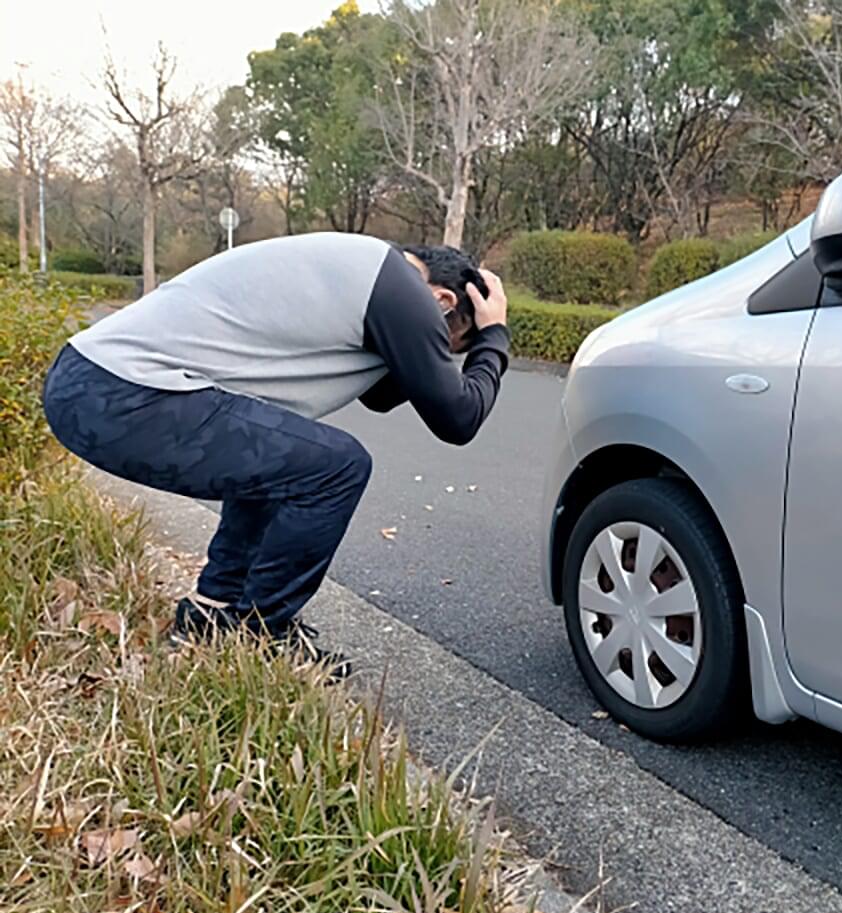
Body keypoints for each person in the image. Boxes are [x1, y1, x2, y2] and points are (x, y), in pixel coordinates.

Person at [41, 233, 510, 677]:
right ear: (444, 303)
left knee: (287, 453)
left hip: (90, 384)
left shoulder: (369, 272)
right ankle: (264, 633)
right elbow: (458, 419)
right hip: (122, 394)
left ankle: (214, 613)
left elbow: (383, 395)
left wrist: (446, 350)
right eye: (448, 344)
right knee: (337, 468)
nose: (436, 352)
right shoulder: (404, 292)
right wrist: (493, 338)